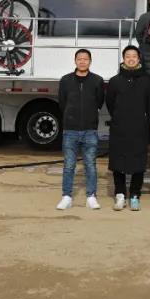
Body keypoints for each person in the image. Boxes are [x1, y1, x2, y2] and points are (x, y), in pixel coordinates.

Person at [106, 45, 150, 211]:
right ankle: (120, 194)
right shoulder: (115, 81)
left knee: (138, 162)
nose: (131, 59)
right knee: (118, 161)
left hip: (139, 127)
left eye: (134, 56)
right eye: (127, 56)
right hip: (119, 127)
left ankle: (135, 195)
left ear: (138, 59)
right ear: (123, 59)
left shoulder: (146, 80)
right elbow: (110, 103)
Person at [56, 49, 105, 210]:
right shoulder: (66, 80)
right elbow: (62, 102)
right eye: (79, 59)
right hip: (70, 130)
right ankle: (66, 196)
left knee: (90, 165)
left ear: (90, 61)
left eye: (85, 59)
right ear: (75, 61)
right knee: (69, 165)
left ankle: (91, 196)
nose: (82, 61)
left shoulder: (97, 80)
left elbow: (99, 101)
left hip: (90, 130)